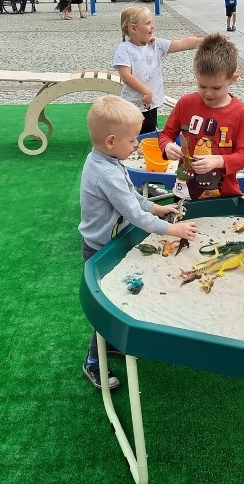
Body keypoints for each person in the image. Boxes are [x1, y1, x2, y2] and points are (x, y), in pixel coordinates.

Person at [79, 94, 198, 390]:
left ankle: (109, 345)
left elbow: (131, 196)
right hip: (98, 248)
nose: (135, 145)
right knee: (106, 307)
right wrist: (173, 230)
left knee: (118, 299)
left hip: (110, 243)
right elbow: (134, 215)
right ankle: (93, 361)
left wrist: (157, 208)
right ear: (110, 141)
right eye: (132, 140)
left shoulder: (108, 160)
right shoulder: (106, 172)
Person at [159, 34, 244, 201]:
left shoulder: (240, 112)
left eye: (216, 87)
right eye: (202, 86)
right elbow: (165, 135)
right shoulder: (185, 103)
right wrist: (167, 146)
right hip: (185, 191)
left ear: (232, 79)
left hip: (224, 194)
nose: (208, 93)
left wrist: (218, 161)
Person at [113, 5, 203, 134]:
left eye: (152, 22)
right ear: (134, 28)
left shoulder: (156, 44)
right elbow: (125, 76)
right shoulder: (125, 49)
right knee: (132, 139)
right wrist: (146, 91)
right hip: (132, 106)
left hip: (150, 104)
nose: (153, 26)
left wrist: (207, 41)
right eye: (148, 23)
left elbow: (182, 43)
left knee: (149, 136)